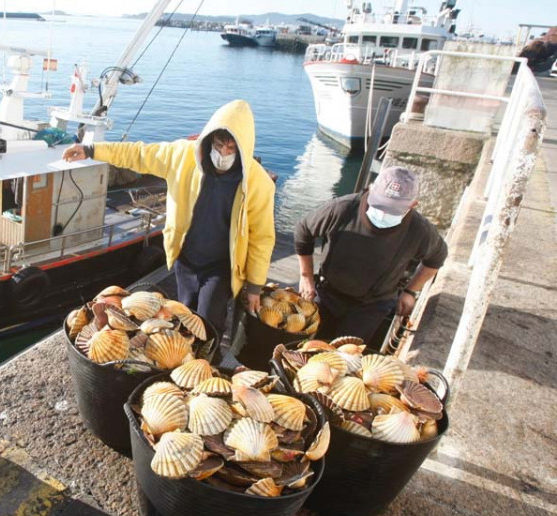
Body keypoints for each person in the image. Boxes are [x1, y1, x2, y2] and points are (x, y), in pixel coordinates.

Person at [62, 99, 276, 342]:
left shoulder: (259, 184)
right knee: (183, 312)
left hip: (222, 265)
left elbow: (262, 237)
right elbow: (139, 154)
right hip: (185, 256)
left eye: (231, 148)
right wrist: (91, 150)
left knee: (209, 320)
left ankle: (207, 366)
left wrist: (255, 286)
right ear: (209, 141)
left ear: (242, 148)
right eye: (218, 145)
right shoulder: (182, 155)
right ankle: (182, 357)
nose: (223, 154)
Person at [294, 166, 448, 341]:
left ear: (412, 205)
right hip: (328, 293)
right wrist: (306, 276)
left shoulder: (420, 231)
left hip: (373, 305)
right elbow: (303, 231)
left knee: (345, 355)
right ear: (370, 189)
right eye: (379, 204)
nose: (383, 213)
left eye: (393, 209)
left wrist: (410, 291)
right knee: (310, 344)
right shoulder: (342, 209)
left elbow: (437, 258)